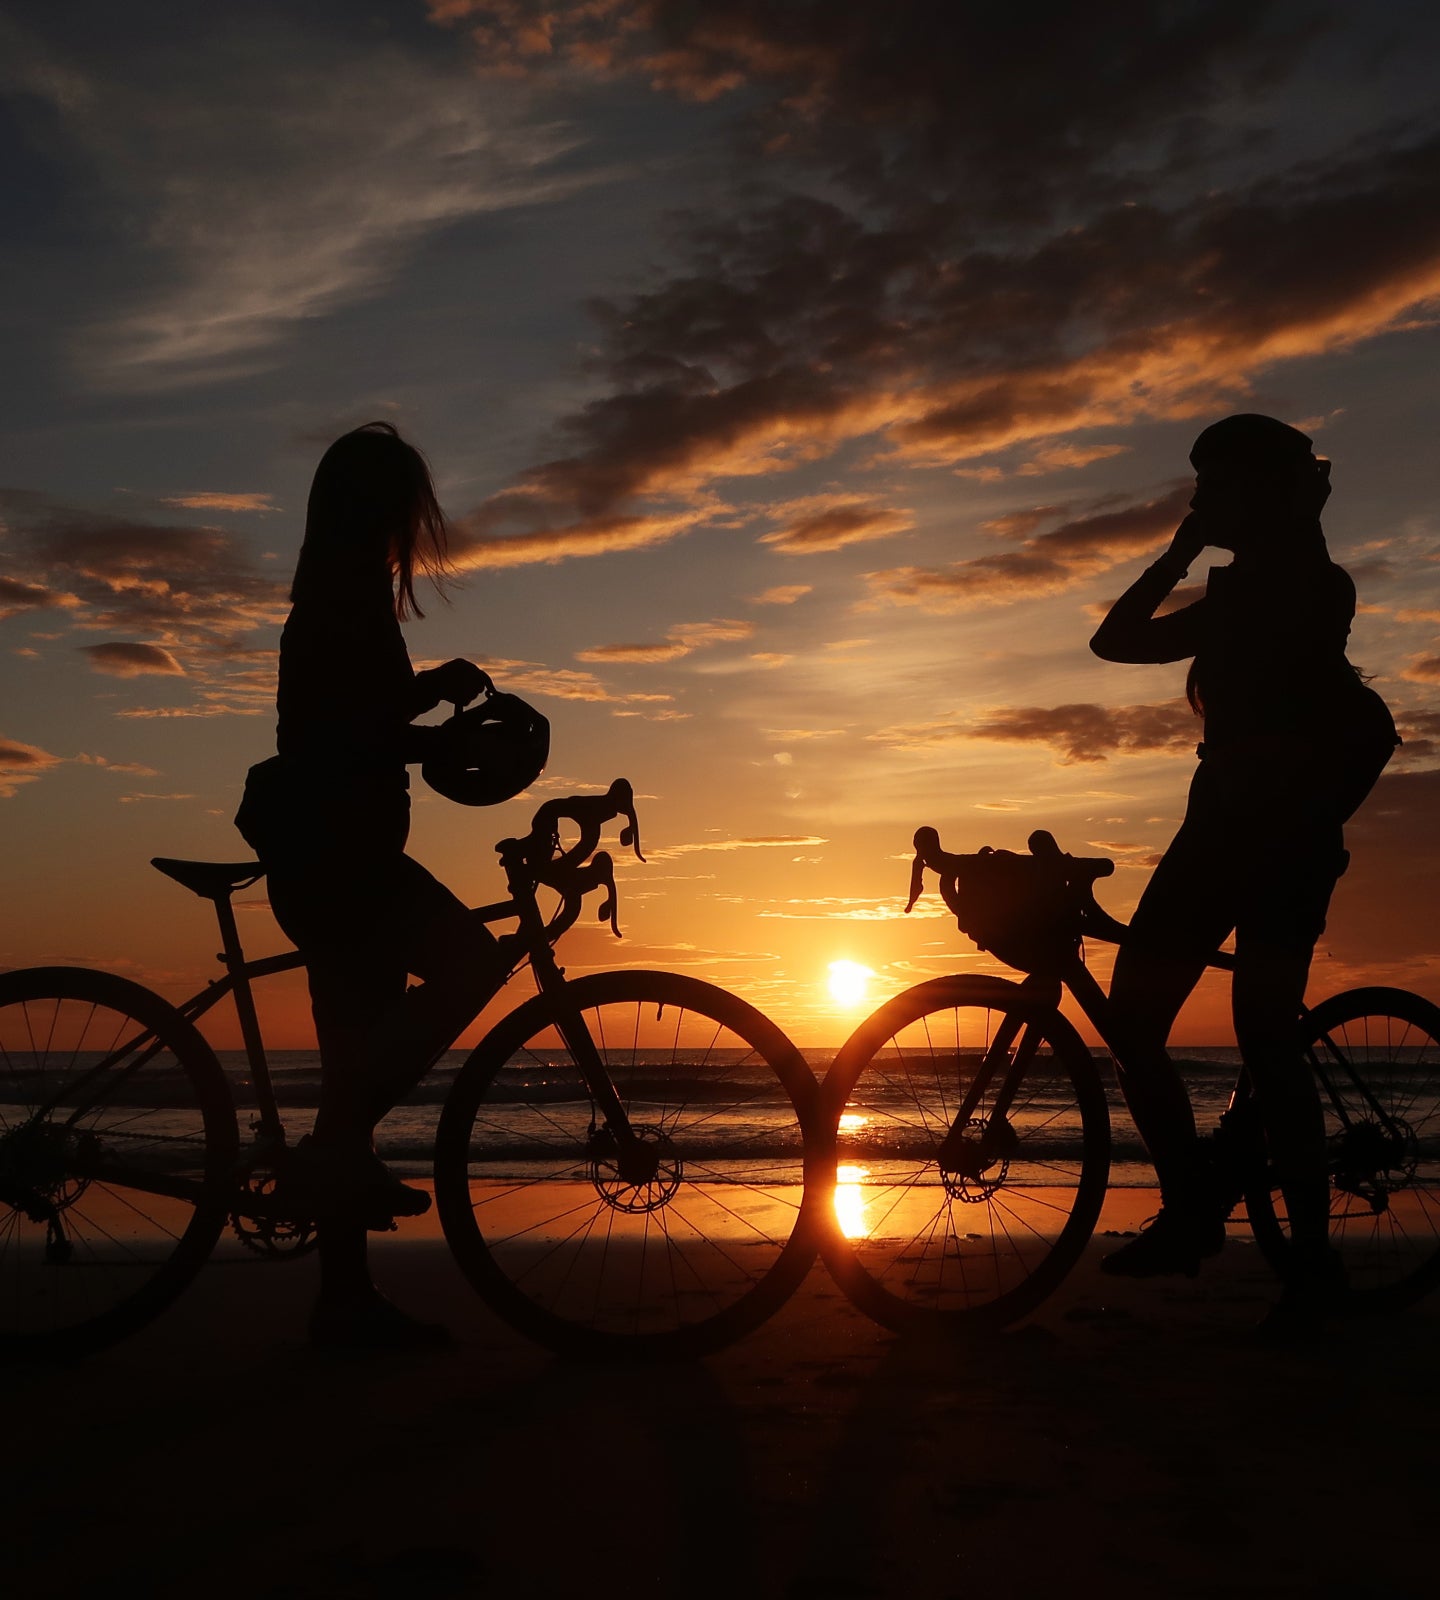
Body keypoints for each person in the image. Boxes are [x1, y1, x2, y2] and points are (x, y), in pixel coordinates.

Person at [1089, 414, 1398, 1319]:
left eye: (1212, 486)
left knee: (1265, 1032)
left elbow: (1143, 641)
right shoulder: (1238, 590)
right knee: (1134, 1021)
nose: (1196, 500)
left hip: (1287, 838)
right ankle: (1192, 1213)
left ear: (1259, 493)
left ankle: (1311, 1269)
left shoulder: (1309, 583)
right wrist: (1186, 547)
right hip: (1216, 829)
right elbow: (1114, 642)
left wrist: (1191, 552)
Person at [236, 421, 497, 1349]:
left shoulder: (337, 596)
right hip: (343, 860)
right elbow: (341, 740)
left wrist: (426, 698)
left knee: (354, 1058)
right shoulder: (342, 602)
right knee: (473, 963)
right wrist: (431, 732)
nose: (408, 530)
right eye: (400, 511)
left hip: (332, 856)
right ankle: (335, 1149)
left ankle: (342, 1307)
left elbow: (355, 714)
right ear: (374, 512)